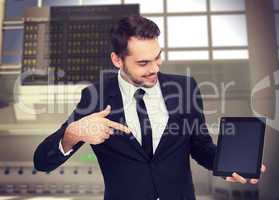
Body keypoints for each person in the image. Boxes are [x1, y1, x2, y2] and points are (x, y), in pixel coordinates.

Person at [34, 15, 265, 200]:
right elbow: (42, 161)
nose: (154, 68)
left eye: (158, 57)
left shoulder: (184, 88)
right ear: (117, 60)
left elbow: (200, 147)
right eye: (143, 63)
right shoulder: (95, 97)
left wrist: (227, 164)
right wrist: (72, 134)